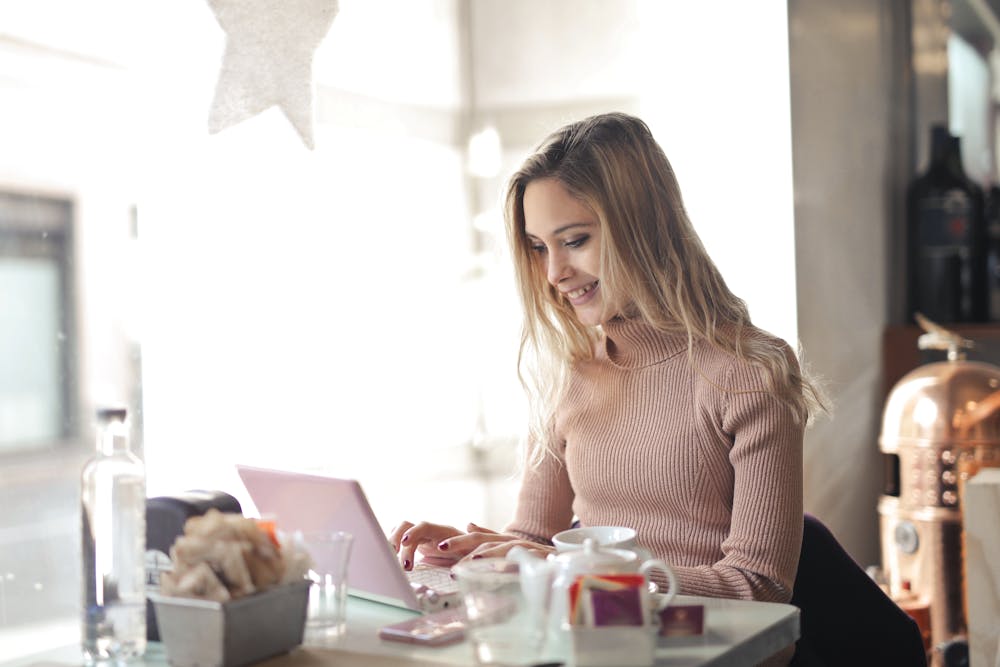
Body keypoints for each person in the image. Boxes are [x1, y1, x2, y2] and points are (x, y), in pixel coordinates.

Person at [390, 112, 825, 606]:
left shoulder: (749, 371)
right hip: (594, 641)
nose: (554, 272)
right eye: (538, 247)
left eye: (575, 240)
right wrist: (474, 553)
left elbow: (759, 588)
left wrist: (571, 570)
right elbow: (534, 541)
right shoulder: (568, 372)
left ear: (642, 226)